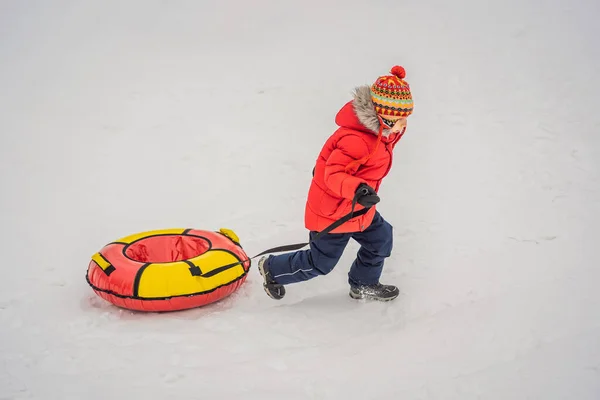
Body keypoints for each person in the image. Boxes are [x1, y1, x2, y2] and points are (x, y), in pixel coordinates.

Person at [258, 65, 414, 301]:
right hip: (334, 212)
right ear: (382, 114)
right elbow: (333, 174)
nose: (404, 124)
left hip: (358, 208)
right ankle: (273, 268)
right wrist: (357, 189)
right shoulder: (356, 139)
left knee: (381, 238)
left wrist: (360, 195)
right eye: (400, 118)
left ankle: (363, 283)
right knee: (319, 263)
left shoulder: (378, 134)